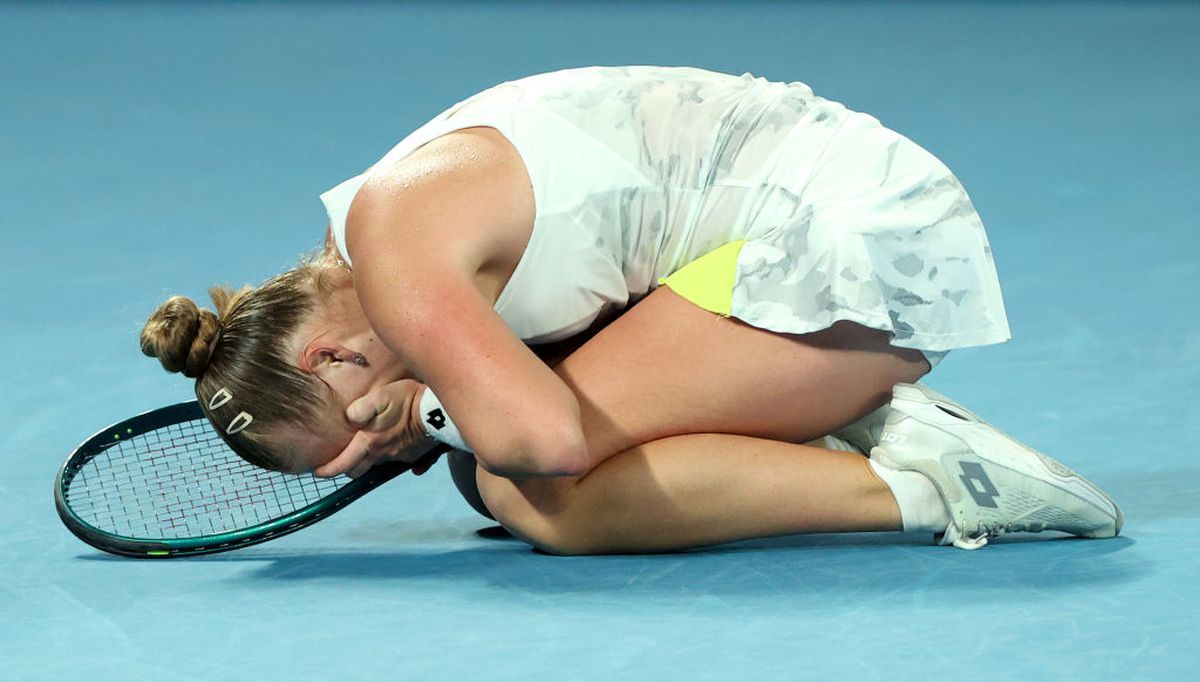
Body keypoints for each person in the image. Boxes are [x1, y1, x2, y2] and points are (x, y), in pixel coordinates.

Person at [140, 66, 1121, 554]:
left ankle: (948, 488)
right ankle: (843, 430)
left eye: (351, 438)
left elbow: (550, 442)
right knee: (496, 482)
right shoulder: (378, 233)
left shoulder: (396, 251)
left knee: (540, 492)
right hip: (854, 237)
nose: (371, 455)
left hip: (866, 246)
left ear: (325, 360)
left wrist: (433, 413)